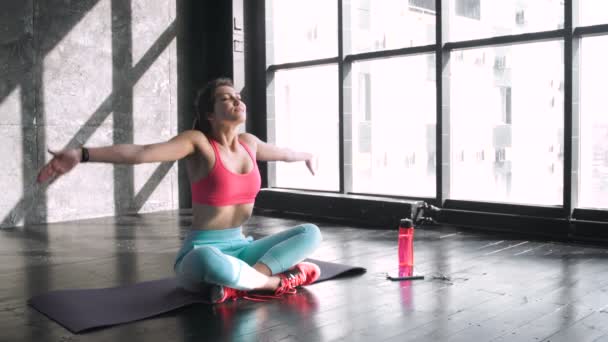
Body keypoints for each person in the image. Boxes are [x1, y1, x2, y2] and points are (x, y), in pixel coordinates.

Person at [37, 77, 323, 303]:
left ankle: (244, 283)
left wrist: (307, 155)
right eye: (227, 98)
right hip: (201, 253)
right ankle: (275, 283)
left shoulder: (249, 143)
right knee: (208, 260)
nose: (237, 99)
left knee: (310, 233)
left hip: (243, 248)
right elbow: (141, 152)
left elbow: (284, 153)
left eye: (238, 96)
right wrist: (83, 154)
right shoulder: (198, 143)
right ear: (210, 114)